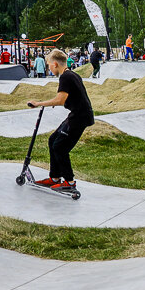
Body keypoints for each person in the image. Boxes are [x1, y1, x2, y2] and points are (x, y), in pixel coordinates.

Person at [25, 49, 94, 193]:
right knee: (53, 140)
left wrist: (39, 103)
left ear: (55, 64)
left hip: (80, 117)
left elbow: (60, 100)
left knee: (60, 147)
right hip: (77, 114)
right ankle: (55, 177)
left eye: (49, 65)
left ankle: (69, 182)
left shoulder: (66, 77)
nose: (48, 68)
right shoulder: (70, 75)